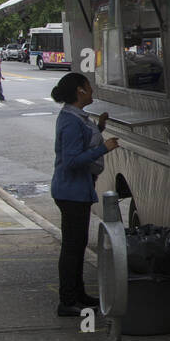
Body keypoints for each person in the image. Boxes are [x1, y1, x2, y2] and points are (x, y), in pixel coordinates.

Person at [50, 72, 117, 317]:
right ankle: (67, 299)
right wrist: (103, 148)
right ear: (79, 90)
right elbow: (71, 160)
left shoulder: (78, 116)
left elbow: (82, 142)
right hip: (71, 192)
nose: (91, 91)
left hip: (78, 190)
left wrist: (99, 128)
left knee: (77, 246)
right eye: (88, 87)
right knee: (72, 247)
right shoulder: (70, 120)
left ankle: (78, 294)